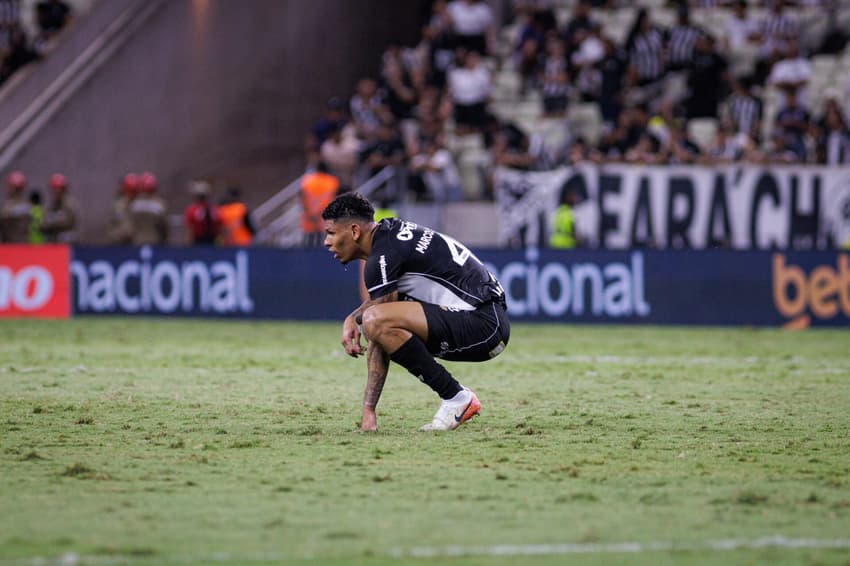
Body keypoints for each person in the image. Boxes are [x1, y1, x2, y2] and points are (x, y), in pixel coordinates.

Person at [322, 192, 509, 432]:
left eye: (330, 233)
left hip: (483, 323)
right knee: (377, 321)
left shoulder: (383, 254)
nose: (326, 242)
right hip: (488, 319)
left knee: (376, 320)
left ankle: (456, 398)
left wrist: (351, 319)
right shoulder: (390, 237)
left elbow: (377, 320)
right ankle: (455, 398)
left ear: (355, 231)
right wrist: (368, 411)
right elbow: (379, 326)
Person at [300, 162, 339, 247]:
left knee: (307, 244)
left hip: (309, 218)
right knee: (322, 246)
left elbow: (302, 198)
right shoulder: (332, 181)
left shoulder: (307, 181)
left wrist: (309, 213)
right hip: (324, 218)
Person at [130, 171, 168, 245]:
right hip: (155, 241)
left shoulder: (134, 203)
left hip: (137, 241)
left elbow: (130, 225)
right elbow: (164, 226)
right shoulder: (159, 204)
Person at [40, 172, 77, 243]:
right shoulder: (48, 206)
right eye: (54, 188)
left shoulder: (70, 205)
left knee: (66, 235)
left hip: (65, 243)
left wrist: (52, 225)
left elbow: (69, 223)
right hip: (51, 241)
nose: (57, 191)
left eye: (60, 188)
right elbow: (42, 224)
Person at [183, 179, 220, 245]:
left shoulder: (212, 210)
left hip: (210, 240)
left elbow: (189, 229)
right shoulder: (194, 210)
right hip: (199, 240)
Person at [107, 173, 137, 245]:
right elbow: (111, 225)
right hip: (119, 243)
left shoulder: (138, 204)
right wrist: (116, 235)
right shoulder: (118, 205)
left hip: (136, 243)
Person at [0, 170, 30, 242]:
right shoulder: (7, 206)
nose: (8, 189)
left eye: (10, 187)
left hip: (16, 245)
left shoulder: (24, 207)